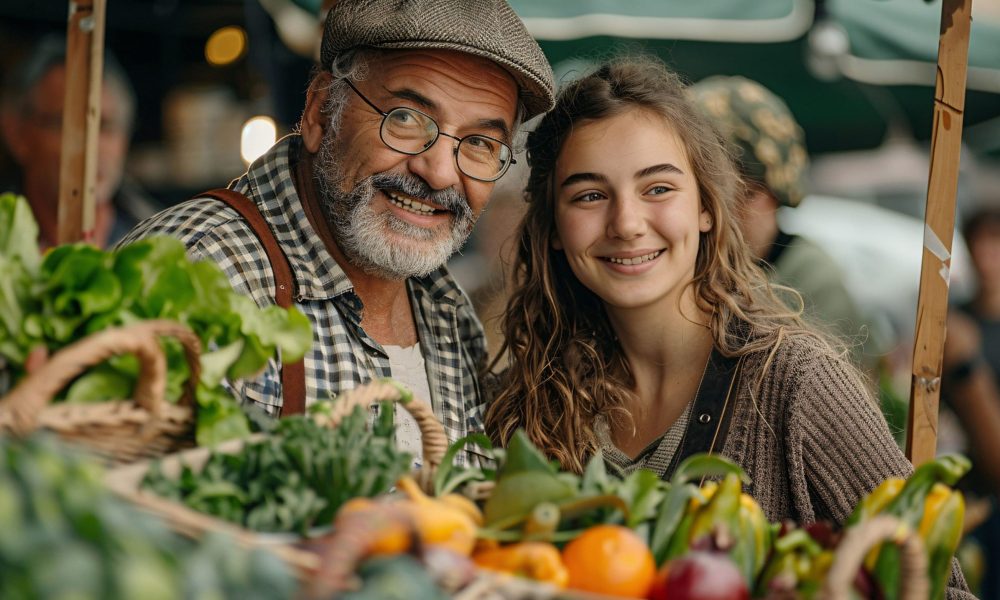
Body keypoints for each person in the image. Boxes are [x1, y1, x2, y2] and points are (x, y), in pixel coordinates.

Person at [483, 55, 973, 596]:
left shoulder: (796, 383)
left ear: (707, 208)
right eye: (590, 195)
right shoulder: (532, 400)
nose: (626, 223)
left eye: (659, 188)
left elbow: (939, 589)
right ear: (554, 228)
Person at [119, 0, 555, 465]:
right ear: (321, 111)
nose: (441, 173)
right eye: (406, 118)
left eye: (482, 144)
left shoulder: (447, 309)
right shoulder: (194, 271)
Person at [687, 76, 877, 369]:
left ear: (775, 194)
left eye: (746, 193)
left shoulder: (812, 278)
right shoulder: (689, 268)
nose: (723, 211)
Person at [0, 35, 161, 249]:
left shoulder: (163, 241)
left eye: (106, 126)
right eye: (68, 125)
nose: (91, 147)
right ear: (16, 133)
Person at [942, 206, 1000, 599]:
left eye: (995, 243)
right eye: (978, 243)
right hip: (975, 494)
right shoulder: (954, 324)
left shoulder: (962, 339)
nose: (985, 256)